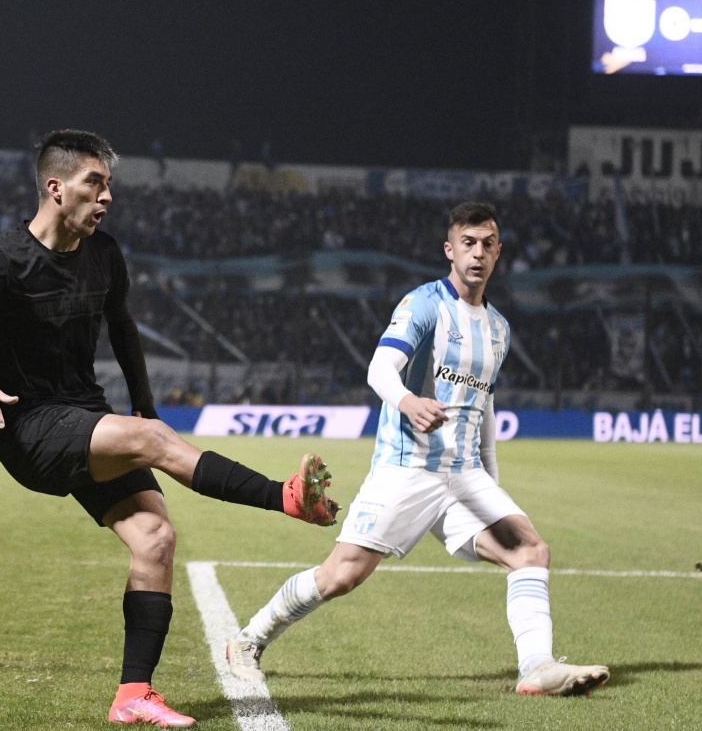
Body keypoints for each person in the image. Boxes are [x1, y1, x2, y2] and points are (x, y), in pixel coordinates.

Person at [0, 129, 340, 727]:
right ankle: (285, 498)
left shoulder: (104, 253)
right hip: (29, 429)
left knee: (155, 540)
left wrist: (144, 406)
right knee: (157, 446)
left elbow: (123, 329)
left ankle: (132, 695)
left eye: (109, 184)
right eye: (95, 183)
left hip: (85, 417)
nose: (107, 196)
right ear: (56, 187)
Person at [225, 202, 609, 697]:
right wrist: (407, 401)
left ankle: (535, 667)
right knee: (342, 575)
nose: (478, 253)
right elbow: (379, 369)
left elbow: (483, 409)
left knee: (530, 551)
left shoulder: (499, 329)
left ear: (499, 252)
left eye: (487, 244)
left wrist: (491, 480)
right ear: (450, 250)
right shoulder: (423, 304)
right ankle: (248, 641)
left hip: (465, 476)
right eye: (468, 243)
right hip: (408, 469)